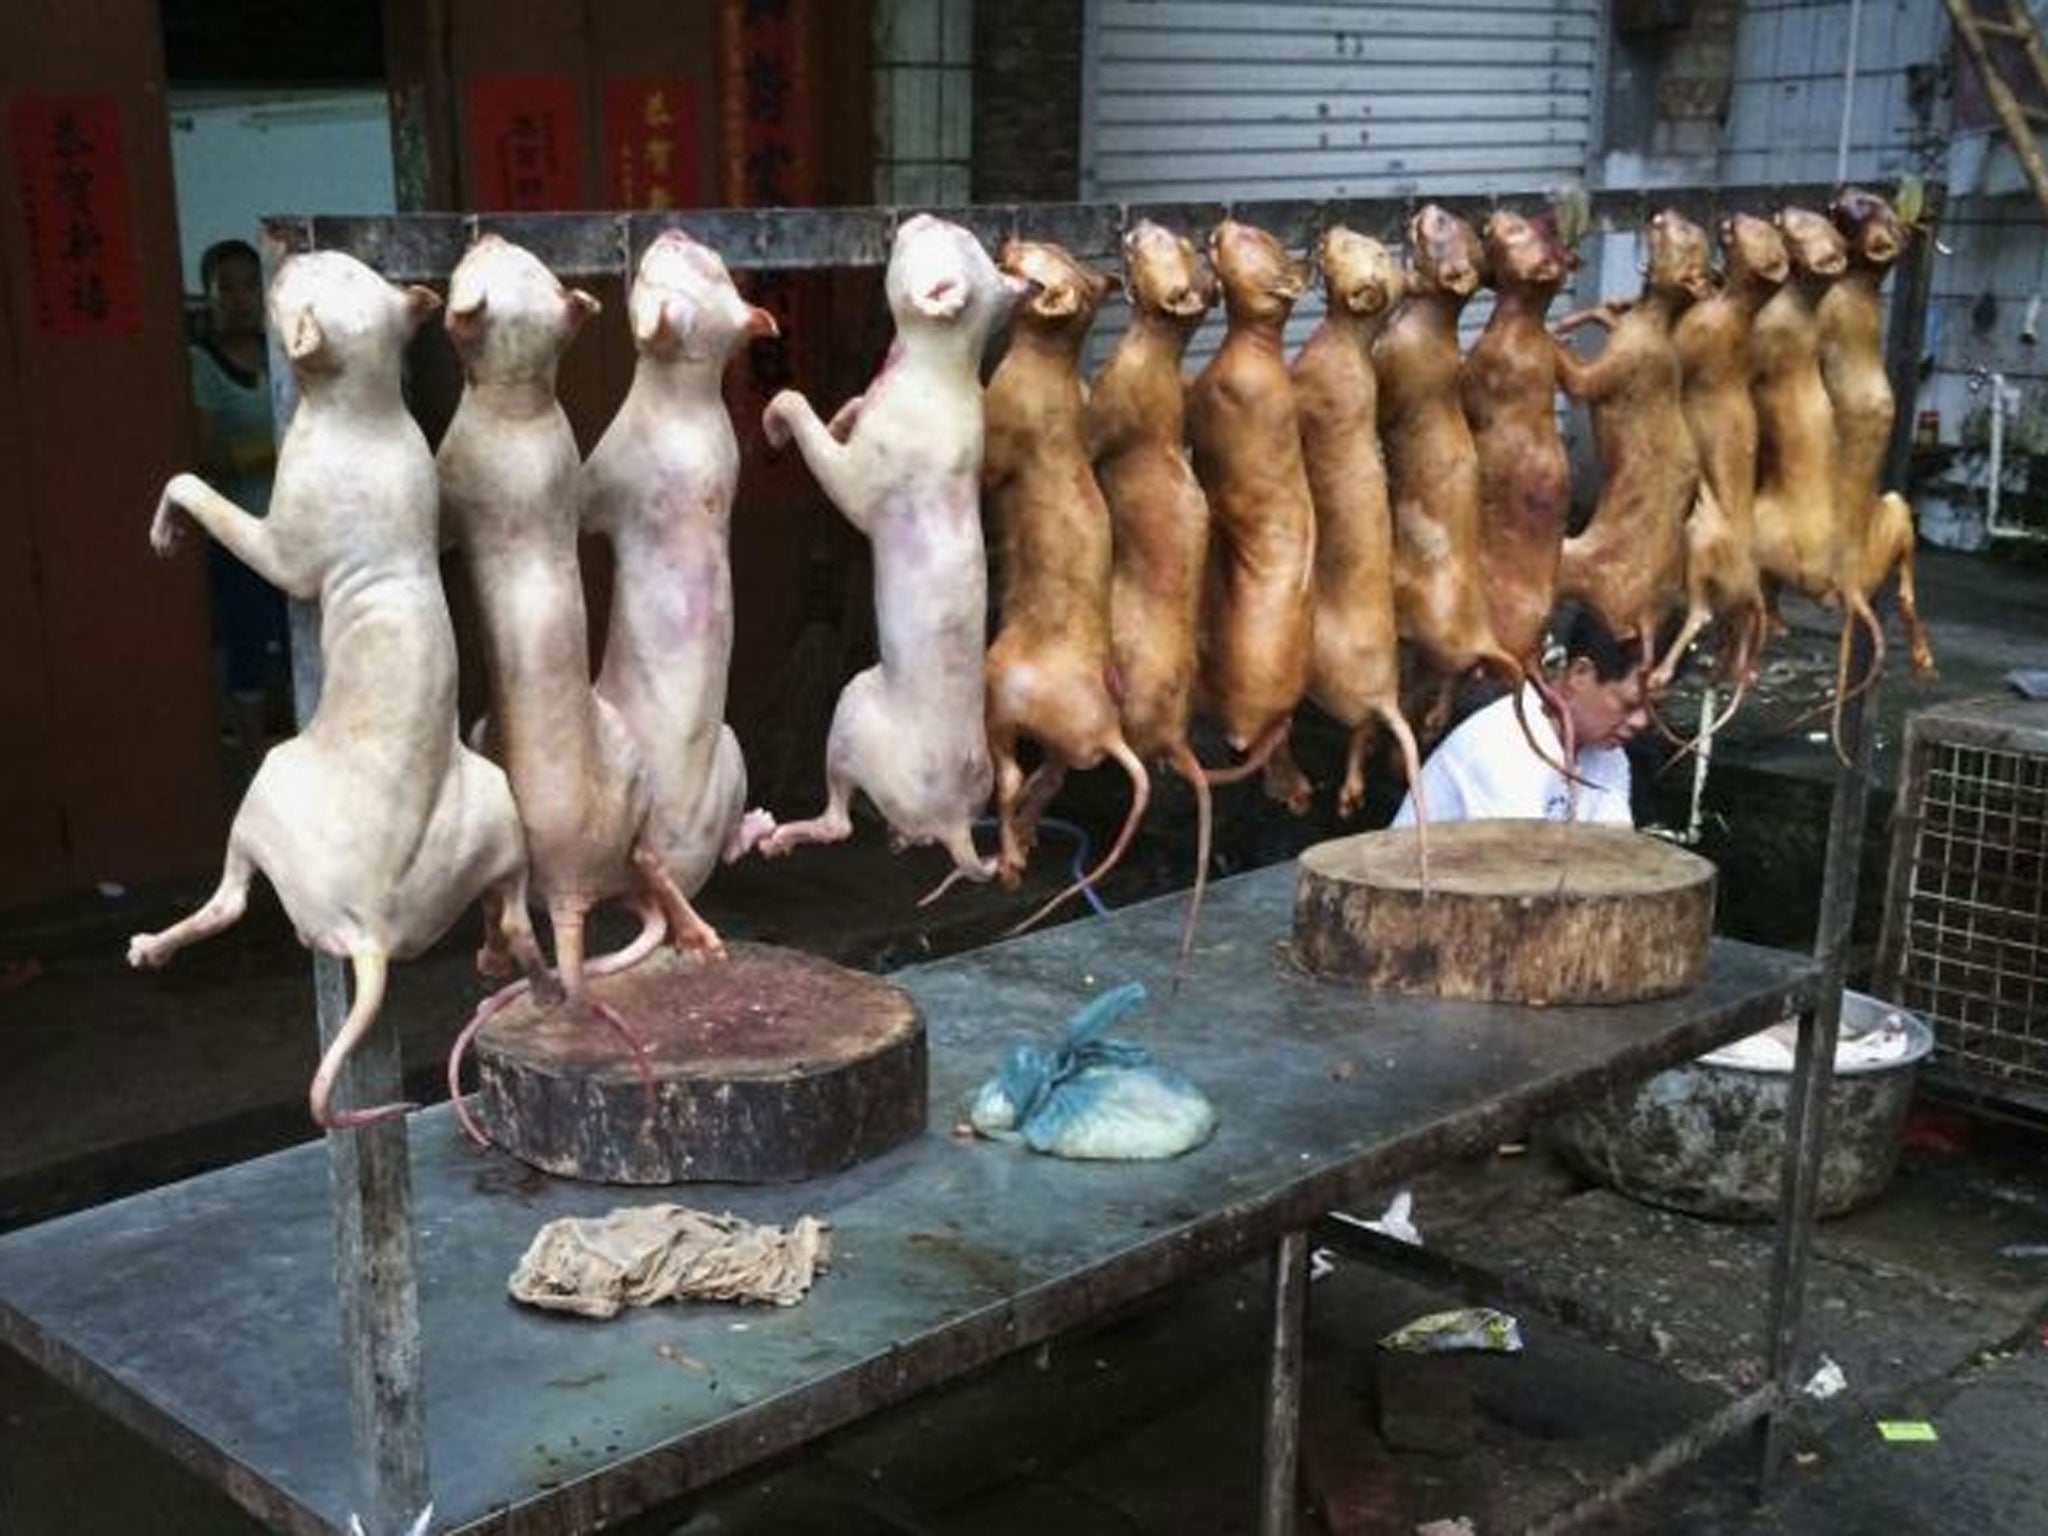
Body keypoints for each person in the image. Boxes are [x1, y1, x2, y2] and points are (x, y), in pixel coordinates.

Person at [1391, 604, 1654, 828]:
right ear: (1580, 674)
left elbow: (1616, 854)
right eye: (1629, 705)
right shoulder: (1500, 745)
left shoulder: (1609, 756)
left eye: (1653, 708)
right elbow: (1519, 872)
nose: (1641, 722)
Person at [189, 237, 289, 752]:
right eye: (225, 287)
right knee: (248, 646)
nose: (240, 297)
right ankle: (253, 762)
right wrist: (266, 450)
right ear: (208, 295)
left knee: (302, 640)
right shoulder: (200, 362)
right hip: (237, 531)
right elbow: (197, 457)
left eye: (251, 285)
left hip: (294, 525)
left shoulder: (286, 350)